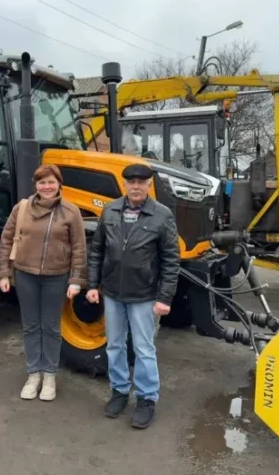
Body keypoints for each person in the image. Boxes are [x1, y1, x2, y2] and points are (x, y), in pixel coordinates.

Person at [86, 163, 180, 429]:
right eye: (131, 182)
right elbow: (97, 250)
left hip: (144, 295)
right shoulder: (111, 210)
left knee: (143, 349)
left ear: (149, 185)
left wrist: (165, 298)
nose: (136, 186)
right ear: (124, 184)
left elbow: (171, 260)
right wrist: (93, 284)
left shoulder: (162, 215)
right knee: (114, 345)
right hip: (113, 294)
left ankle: (146, 399)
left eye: (142, 181)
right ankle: (118, 391)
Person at [0, 164, 87, 402]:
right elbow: (6, 240)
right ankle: (34, 374)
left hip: (57, 277)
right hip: (25, 275)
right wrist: (3, 273)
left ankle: (50, 376)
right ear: (36, 185)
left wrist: (76, 279)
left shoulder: (71, 211)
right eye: (42, 182)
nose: (47, 187)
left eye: (51, 182)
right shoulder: (22, 209)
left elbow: (79, 248)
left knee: (51, 328)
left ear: (59, 184)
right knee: (31, 326)